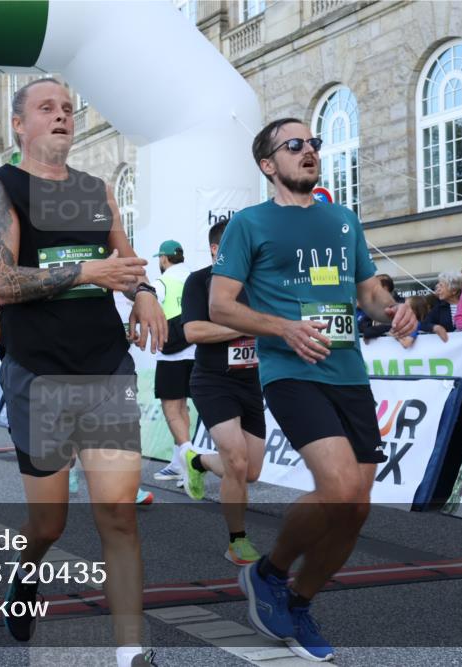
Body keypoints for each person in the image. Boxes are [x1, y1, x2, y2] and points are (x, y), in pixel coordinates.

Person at [209, 118, 416, 661]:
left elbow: (368, 292)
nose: (309, 152)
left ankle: (298, 600)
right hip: (291, 371)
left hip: (349, 374)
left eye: (314, 144)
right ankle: (270, 572)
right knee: (341, 487)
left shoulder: (343, 220)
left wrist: (395, 312)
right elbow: (220, 305)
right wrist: (283, 328)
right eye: (294, 145)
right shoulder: (249, 224)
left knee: (356, 507)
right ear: (267, 165)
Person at [0, 78, 165, 667]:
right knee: (49, 522)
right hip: (39, 371)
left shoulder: (96, 191)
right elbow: (3, 283)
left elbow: (129, 264)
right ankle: (26, 574)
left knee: (116, 513)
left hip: (105, 366)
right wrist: (88, 273)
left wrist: (145, 294)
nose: (61, 116)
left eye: (67, 109)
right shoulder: (2, 187)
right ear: (18, 125)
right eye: (45, 108)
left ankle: (131, 651)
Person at [179, 220, 265, 566]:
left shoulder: (259, 282)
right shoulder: (199, 281)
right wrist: (243, 325)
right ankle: (237, 541)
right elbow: (194, 331)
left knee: (250, 471)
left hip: (251, 381)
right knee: (237, 460)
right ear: (217, 250)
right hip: (213, 381)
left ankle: (198, 461)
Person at [150, 240, 196, 483]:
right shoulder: (193, 276)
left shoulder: (162, 280)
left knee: (172, 409)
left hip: (171, 353)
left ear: (164, 259)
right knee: (183, 408)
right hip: (196, 349)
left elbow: (149, 303)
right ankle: (179, 461)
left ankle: (189, 461)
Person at [420, 271, 462, 341]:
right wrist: (436, 327)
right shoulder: (439, 307)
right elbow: (424, 324)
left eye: (441, 286)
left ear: (454, 290)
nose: (438, 289)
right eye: (438, 285)